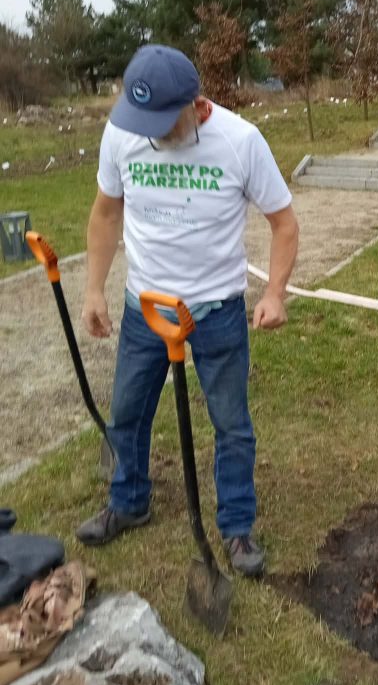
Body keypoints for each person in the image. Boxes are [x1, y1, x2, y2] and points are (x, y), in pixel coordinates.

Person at [76, 44, 299, 578]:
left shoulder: (240, 141)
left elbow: (284, 222)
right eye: (142, 121)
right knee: (126, 412)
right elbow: (106, 213)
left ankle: (237, 527)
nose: (149, 135)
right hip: (145, 306)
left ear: (197, 106)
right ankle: (128, 501)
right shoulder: (122, 133)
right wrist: (93, 289)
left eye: (161, 123)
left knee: (231, 423)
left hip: (216, 309)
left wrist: (274, 293)